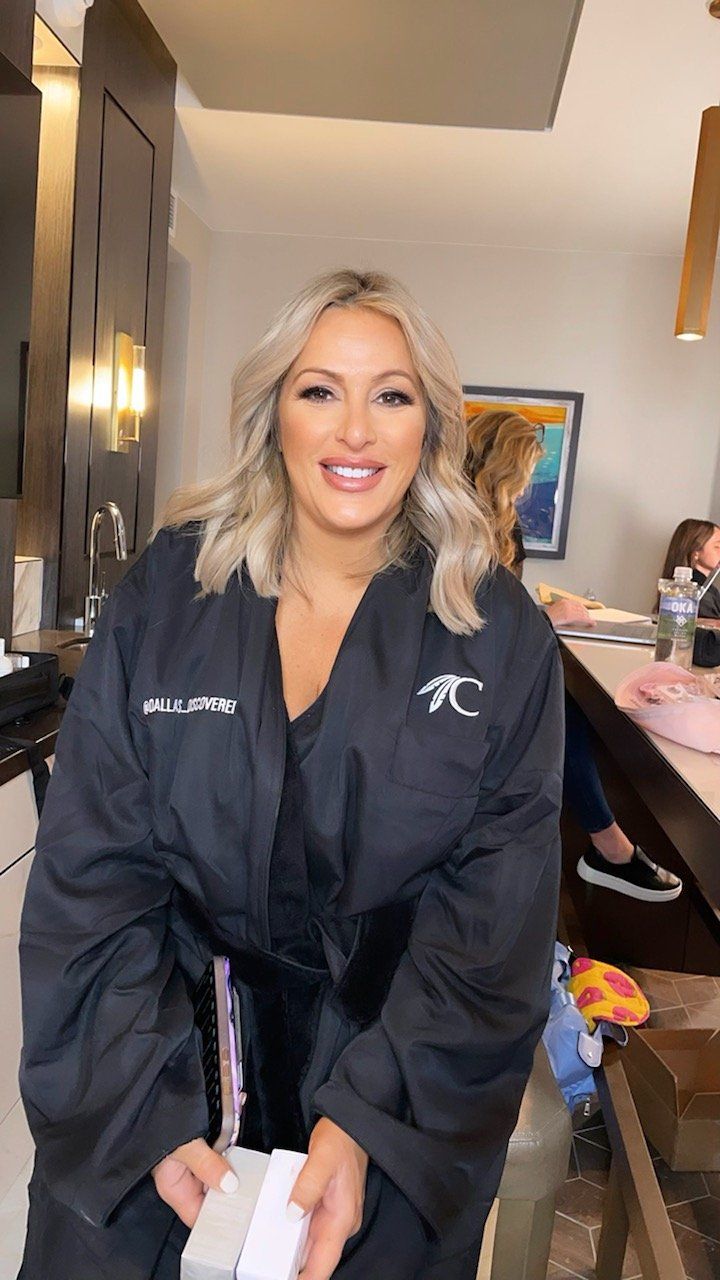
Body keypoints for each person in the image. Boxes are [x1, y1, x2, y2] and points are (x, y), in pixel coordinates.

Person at [18, 270, 564, 1280]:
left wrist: (363, 1125)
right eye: (320, 390)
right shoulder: (166, 597)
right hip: (162, 1043)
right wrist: (141, 1108)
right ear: (276, 412)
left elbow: (492, 925)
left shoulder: (503, 640)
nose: (355, 429)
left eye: (391, 395)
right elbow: (93, 880)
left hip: (403, 1070)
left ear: (429, 427)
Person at [466, 409, 682, 905]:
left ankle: (607, 847)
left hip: (483, 670)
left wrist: (539, 617)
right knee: (561, 710)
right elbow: (469, 625)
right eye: (525, 475)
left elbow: (493, 614)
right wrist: (546, 620)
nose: (526, 488)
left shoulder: (499, 529)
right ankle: (608, 847)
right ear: (506, 469)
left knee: (569, 704)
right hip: (464, 679)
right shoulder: (460, 529)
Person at [660, 518, 720, 667]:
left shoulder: (708, 589)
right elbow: (709, 642)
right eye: (718, 546)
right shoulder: (692, 594)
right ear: (695, 552)